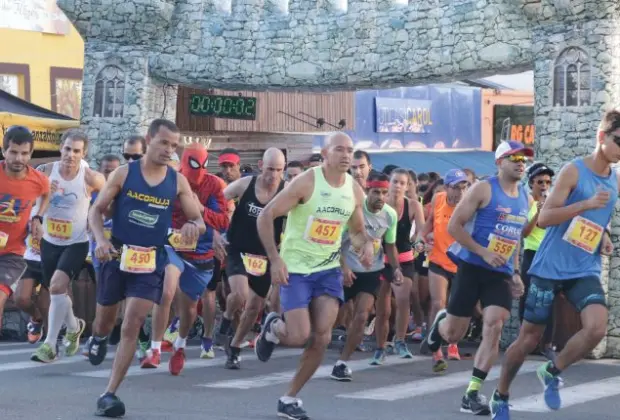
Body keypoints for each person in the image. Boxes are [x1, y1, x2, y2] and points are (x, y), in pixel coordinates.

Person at [490, 110, 620, 419]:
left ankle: (553, 370)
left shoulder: (615, 180)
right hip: (549, 268)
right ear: (602, 138)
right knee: (529, 338)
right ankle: (501, 395)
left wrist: (603, 235)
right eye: (619, 140)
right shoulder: (573, 171)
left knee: (596, 329)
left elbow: (598, 220)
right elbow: (546, 218)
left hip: (584, 267)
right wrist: (584, 204)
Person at [87, 119, 205, 417]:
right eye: (164, 143)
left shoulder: (177, 181)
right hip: (117, 254)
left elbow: (198, 219)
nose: (169, 150)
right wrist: (100, 239)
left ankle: (109, 393)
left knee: (133, 322)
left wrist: (194, 226)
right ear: (149, 140)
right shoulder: (124, 173)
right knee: (105, 322)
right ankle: (98, 338)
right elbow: (97, 210)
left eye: (174, 146)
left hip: (151, 259)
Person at [254, 132, 374, 420]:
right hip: (295, 269)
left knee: (322, 336)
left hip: (327, 269)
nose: (347, 155)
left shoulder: (355, 190)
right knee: (298, 336)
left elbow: (357, 231)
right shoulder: (307, 181)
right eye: (340, 150)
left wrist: (365, 246)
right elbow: (266, 216)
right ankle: (273, 328)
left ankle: (290, 397)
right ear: (325, 153)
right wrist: (275, 259)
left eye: (350, 150)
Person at [426, 140, 533, 415]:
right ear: (499, 163)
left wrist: (516, 272)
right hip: (472, 266)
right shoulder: (484, 188)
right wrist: (483, 252)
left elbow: (514, 240)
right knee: (454, 334)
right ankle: (441, 325)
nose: (520, 162)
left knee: (495, 324)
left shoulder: (526, 197)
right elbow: (454, 226)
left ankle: (472, 392)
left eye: (523, 158)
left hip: (499, 274)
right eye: (514, 158)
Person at [31, 129, 106, 363]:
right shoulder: (44, 172)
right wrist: (38, 215)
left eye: (76, 151)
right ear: (60, 148)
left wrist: (100, 231)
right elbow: (30, 199)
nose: (70, 155)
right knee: (58, 292)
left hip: (76, 242)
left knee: (56, 287)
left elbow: (108, 201)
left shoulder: (91, 177)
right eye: (67, 149)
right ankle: (74, 327)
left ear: (83, 153)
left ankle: (49, 345)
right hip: (49, 241)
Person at [214, 148, 286, 370]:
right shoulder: (246, 184)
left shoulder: (286, 191)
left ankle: (234, 348)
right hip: (237, 248)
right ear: (260, 165)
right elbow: (216, 200)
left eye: (278, 170)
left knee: (254, 307)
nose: (273, 175)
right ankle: (226, 318)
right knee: (240, 294)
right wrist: (215, 231)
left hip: (265, 255)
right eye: (270, 169)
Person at [163, 140, 229, 375]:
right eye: (193, 164)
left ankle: (180, 343)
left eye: (202, 164)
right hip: (171, 245)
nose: (198, 171)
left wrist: (200, 209)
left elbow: (223, 220)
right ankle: (152, 343)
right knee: (167, 287)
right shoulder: (169, 180)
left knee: (191, 307)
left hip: (201, 251)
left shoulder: (213, 184)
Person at [331, 171, 403, 381]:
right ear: (367, 191)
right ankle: (315, 344)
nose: (380, 197)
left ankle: (342, 362)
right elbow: (336, 241)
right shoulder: (353, 209)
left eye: (384, 192)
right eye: (376, 192)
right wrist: (343, 268)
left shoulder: (390, 214)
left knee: (362, 315)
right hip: (343, 269)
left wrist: (396, 268)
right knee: (333, 319)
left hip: (371, 271)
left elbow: (390, 245)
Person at [0, 126, 50, 336]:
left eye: (24, 153)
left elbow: (46, 195)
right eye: (13, 152)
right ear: (4, 151)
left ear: (30, 154)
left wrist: (37, 218)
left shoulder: (38, 180)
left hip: (12, 254)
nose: (18, 158)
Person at [421, 168, 470, 371]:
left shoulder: (470, 206)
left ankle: (452, 342)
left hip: (460, 262)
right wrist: (421, 238)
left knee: (455, 305)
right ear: (446, 187)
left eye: (463, 187)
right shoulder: (438, 199)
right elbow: (430, 224)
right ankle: (436, 352)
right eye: (456, 188)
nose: (460, 192)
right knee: (437, 303)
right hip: (438, 259)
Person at [518, 162, 555, 353]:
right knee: (527, 297)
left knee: (548, 298)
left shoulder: (554, 201)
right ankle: (525, 341)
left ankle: (546, 342)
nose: (544, 186)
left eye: (548, 182)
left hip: (548, 254)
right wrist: (538, 213)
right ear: (531, 183)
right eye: (540, 181)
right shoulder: (526, 201)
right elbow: (524, 233)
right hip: (532, 253)